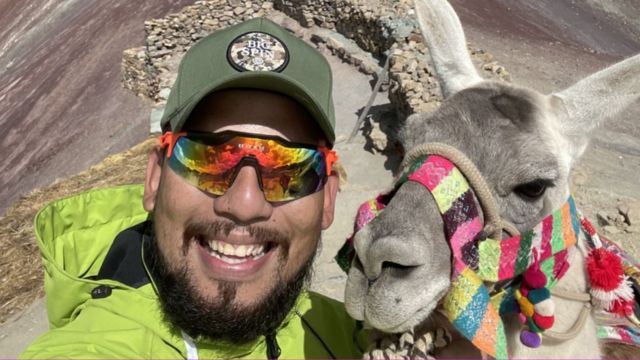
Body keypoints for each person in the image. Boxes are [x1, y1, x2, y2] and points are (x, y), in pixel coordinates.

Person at [21, 17, 364, 359]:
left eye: (290, 168)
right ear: (154, 178)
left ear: (328, 200)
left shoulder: (361, 341)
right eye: (207, 157)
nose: (244, 204)